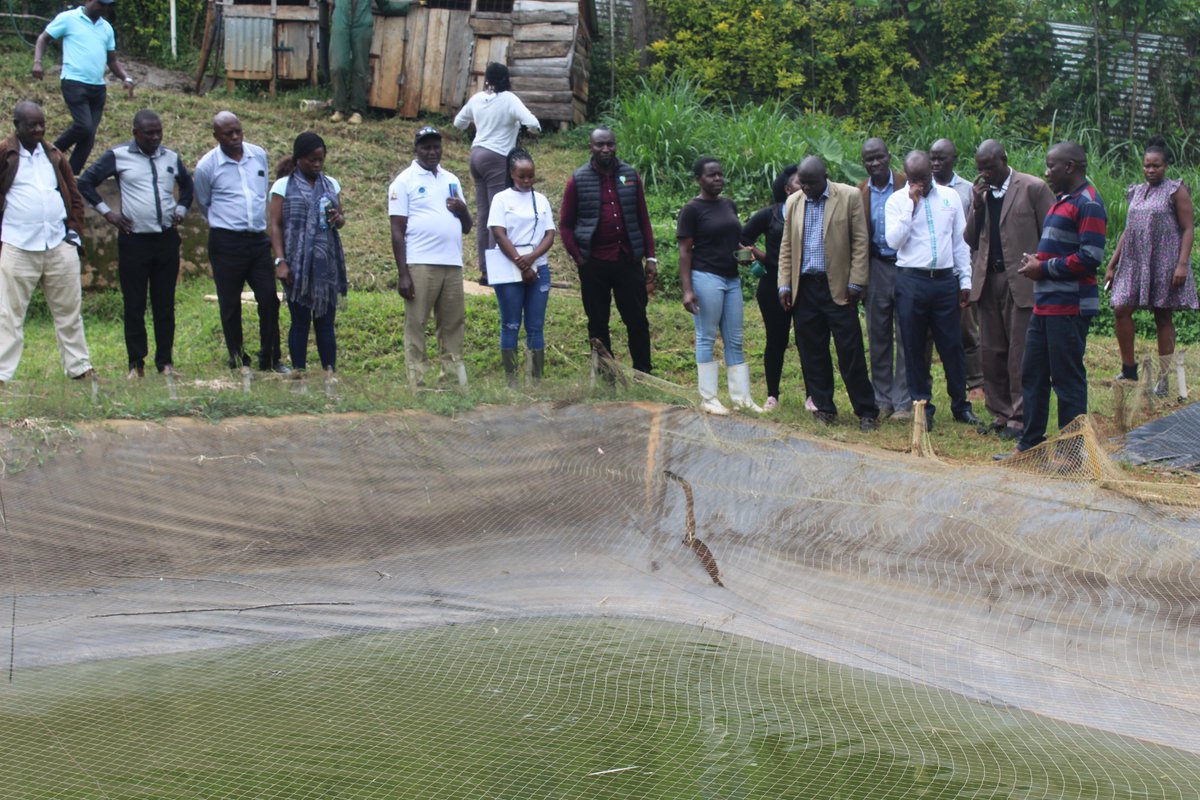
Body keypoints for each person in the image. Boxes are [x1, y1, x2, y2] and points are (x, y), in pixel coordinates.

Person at [77, 109, 192, 379]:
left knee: (165, 304)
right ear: (135, 133)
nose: (155, 137)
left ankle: (165, 363)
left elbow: (188, 186)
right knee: (135, 304)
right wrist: (109, 214)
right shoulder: (118, 157)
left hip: (165, 239)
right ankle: (136, 365)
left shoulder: (171, 157)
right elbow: (86, 182)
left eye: (159, 132)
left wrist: (182, 210)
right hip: (134, 241)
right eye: (149, 133)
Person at [1009, 141, 1107, 455]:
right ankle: (1030, 445)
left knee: (1067, 379)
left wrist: (1045, 267)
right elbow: (1064, 251)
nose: (1046, 172)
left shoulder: (1088, 202)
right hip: (1046, 304)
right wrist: (1038, 259)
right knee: (1032, 373)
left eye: (1052, 166)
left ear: (1070, 167)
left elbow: (1090, 257)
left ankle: (1071, 453)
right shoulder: (1061, 201)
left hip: (1070, 306)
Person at [778, 157, 878, 430]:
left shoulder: (848, 196)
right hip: (805, 288)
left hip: (839, 288)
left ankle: (866, 411)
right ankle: (824, 407)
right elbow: (786, 247)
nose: (806, 187)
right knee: (812, 351)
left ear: (825, 177)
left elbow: (860, 241)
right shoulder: (794, 202)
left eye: (811, 182)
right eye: (803, 182)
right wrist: (784, 285)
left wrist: (857, 282)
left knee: (850, 351)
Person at [965, 139, 1055, 441]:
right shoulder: (982, 194)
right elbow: (970, 239)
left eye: (989, 167)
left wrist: (1043, 268)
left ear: (1004, 160)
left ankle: (1020, 416)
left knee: (1020, 353)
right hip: (987, 282)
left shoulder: (1033, 188)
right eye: (980, 169)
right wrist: (977, 205)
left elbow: (1051, 235)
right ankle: (1000, 413)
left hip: (1021, 281)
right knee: (992, 352)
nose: (984, 174)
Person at [884, 150, 979, 432]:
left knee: (952, 345)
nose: (920, 184)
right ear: (907, 176)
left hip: (944, 281)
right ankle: (922, 406)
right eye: (914, 179)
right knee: (913, 345)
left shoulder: (950, 198)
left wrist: (965, 281)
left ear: (931, 174)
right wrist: (910, 208)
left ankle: (961, 404)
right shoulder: (896, 201)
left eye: (924, 178)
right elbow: (893, 242)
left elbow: (960, 243)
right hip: (911, 280)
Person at [0, 100, 93, 384]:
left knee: (69, 312)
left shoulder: (53, 155)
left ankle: (79, 369)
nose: (39, 129)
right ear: (17, 126)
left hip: (58, 244)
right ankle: (2, 375)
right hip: (17, 245)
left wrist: (73, 233)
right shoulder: (5, 153)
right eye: (32, 125)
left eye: (42, 124)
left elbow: (73, 196)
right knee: (8, 314)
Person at [193, 111, 287, 373]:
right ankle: (237, 357)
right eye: (228, 133)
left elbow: (261, 194)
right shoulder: (207, 166)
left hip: (257, 241)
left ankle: (270, 358)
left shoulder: (258, 155)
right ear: (216, 136)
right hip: (226, 241)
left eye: (238, 131)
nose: (235, 137)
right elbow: (203, 202)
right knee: (230, 302)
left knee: (269, 299)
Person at [1104, 136, 1196, 396]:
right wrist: (1112, 263)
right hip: (1134, 261)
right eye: (1147, 165)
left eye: (1156, 165)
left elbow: (1189, 229)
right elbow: (1128, 230)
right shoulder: (1136, 191)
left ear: (1166, 166)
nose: (1151, 170)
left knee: (1162, 316)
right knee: (1121, 307)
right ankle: (1129, 369)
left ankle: (1164, 380)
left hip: (1165, 261)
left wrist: (1182, 265)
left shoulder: (1176, 190)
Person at [559, 127, 656, 373]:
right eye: (600, 145)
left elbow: (643, 220)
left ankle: (643, 374)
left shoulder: (630, 175)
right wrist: (579, 257)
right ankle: (606, 376)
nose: (605, 149)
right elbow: (566, 225)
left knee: (637, 320)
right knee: (598, 322)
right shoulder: (578, 179)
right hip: (594, 264)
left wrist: (651, 257)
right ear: (590, 146)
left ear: (615, 145)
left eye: (610, 144)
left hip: (628, 261)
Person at [389, 125, 472, 388]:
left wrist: (462, 209)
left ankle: (451, 381)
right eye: (426, 146)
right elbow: (396, 231)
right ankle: (418, 382)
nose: (432, 151)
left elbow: (468, 226)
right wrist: (403, 274)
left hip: (452, 263)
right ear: (416, 149)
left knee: (452, 324)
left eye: (436, 146)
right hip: (420, 264)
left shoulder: (452, 179)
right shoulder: (404, 182)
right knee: (417, 324)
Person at [677, 156, 760, 415]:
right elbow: (685, 252)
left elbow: (731, 239)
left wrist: (743, 253)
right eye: (712, 175)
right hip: (706, 277)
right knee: (706, 336)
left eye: (720, 174)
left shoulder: (728, 205)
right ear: (698, 179)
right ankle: (709, 398)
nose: (718, 179)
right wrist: (688, 290)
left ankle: (741, 398)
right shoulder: (692, 210)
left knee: (735, 339)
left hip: (731, 278)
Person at [268, 132, 347, 377]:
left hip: (326, 263)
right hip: (296, 262)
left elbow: (341, 219)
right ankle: (298, 371)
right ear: (298, 159)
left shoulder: (331, 184)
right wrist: (280, 261)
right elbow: (275, 225)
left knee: (325, 322)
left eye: (321, 159)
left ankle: (329, 373)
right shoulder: (283, 186)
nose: (317, 164)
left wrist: (338, 218)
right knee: (300, 321)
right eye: (312, 159)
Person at [454, 63, 541, 283]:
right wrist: (527, 130)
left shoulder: (476, 99)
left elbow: (459, 123)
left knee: (484, 214)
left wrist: (481, 126)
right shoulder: (509, 99)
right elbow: (534, 123)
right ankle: (494, 272)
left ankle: (484, 270)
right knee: (496, 217)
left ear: (487, 79)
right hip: (496, 158)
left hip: (476, 156)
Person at [32, 0, 134, 176]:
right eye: (100, 4)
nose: (103, 8)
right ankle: (47, 154)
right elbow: (43, 38)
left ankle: (70, 176)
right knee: (84, 126)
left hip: (98, 88)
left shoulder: (107, 28)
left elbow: (112, 60)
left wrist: (126, 77)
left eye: (107, 5)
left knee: (89, 137)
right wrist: (38, 62)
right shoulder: (68, 18)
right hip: (74, 82)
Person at [487, 147, 555, 386]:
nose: (527, 181)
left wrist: (532, 259)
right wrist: (520, 262)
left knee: (535, 326)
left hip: (538, 267)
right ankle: (511, 379)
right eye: (522, 176)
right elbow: (498, 233)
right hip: (508, 267)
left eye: (531, 176)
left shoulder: (542, 200)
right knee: (511, 323)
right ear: (511, 174)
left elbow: (549, 234)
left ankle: (536, 379)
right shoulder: (501, 199)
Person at [858, 138, 911, 419]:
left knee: (906, 334)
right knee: (878, 335)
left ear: (889, 156)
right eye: (869, 159)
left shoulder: (906, 184)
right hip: (876, 266)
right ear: (863, 163)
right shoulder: (860, 191)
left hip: (905, 266)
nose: (875, 163)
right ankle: (882, 399)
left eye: (879, 157)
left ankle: (903, 402)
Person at [741, 164, 801, 411]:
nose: (805, 186)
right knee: (775, 340)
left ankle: (813, 396)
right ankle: (772, 396)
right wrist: (754, 262)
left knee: (809, 342)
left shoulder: (815, 211)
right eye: (800, 182)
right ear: (788, 189)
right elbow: (742, 240)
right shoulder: (770, 214)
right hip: (772, 287)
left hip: (806, 287)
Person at [931, 137, 984, 399]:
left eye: (942, 158)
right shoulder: (920, 188)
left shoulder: (966, 190)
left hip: (961, 268)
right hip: (930, 272)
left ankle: (975, 383)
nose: (936, 163)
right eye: (933, 158)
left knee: (966, 329)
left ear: (955, 160)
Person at [327, 0, 373, 125]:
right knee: (338, 66)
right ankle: (339, 109)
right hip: (340, 23)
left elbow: (386, 4)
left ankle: (357, 111)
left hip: (362, 26)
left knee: (360, 68)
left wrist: (409, 3)